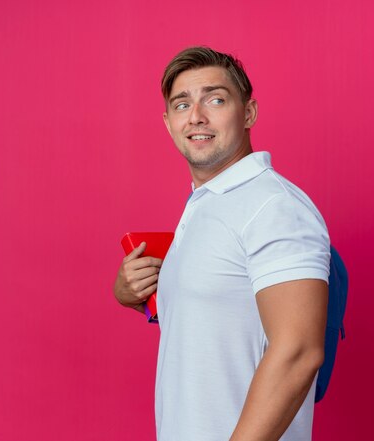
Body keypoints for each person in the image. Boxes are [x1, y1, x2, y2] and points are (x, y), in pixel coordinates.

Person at [114, 46, 331, 441]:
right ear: (168, 123)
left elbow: (298, 352)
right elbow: (217, 321)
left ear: (248, 113)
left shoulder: (273, 206)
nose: (196, 116)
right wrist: (134, 295)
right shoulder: (206, 205)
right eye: (182, 105)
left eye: (215, 99)